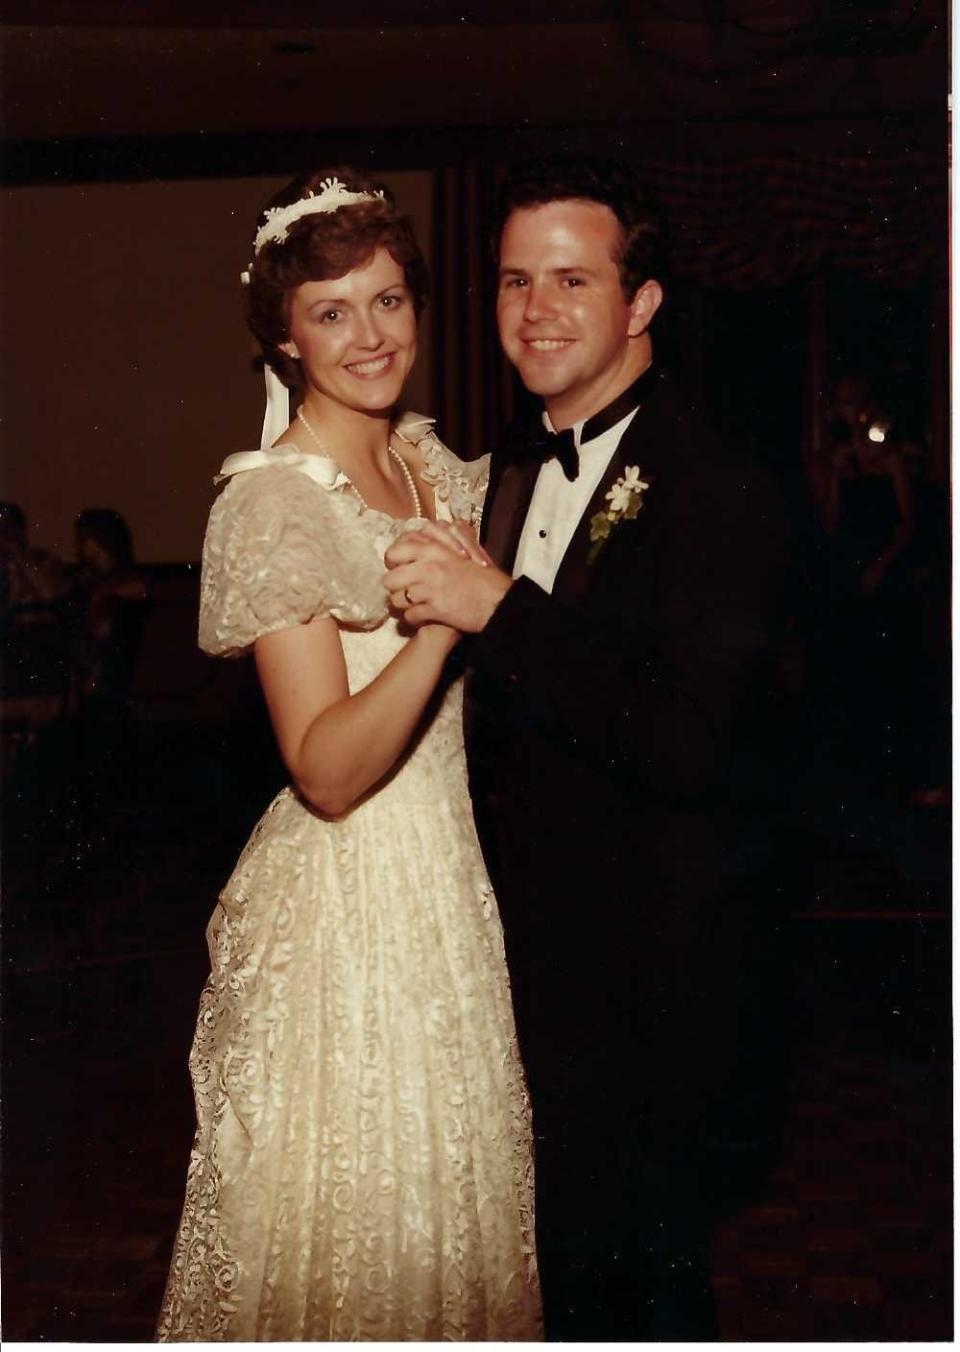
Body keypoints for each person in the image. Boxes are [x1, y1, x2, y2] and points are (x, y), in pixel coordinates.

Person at [385, 157, 788, 1340]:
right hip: (517, 979)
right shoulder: (506, 468)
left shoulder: (721, 484)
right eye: (515, 280)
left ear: (643, 301)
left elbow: (687, 739)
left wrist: (495, 604)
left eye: (573, 278)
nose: (536, 310)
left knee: (638, 1296)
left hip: (648, 999)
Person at [157, 170, 541, 1341]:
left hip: (450, 881)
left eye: (387, 302)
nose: (369, 336)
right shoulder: (274, 505)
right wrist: (436, 633)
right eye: (332, 312)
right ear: (286, 333)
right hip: (353, 903)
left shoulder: (432, 459)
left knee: (451, 1215)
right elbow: (321, 764)